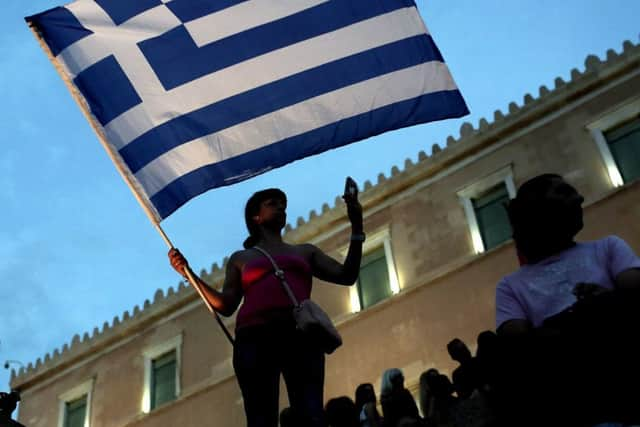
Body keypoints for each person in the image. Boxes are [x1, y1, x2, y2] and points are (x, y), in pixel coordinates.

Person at [169, 182, 364, 427]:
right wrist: (188, 274)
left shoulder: (304, 252)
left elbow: (347, 275)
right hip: (254, 338)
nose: (281, 207)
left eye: (283, 204)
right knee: (261, 418)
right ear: (256, 216)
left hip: (300, 335)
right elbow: (226, 304)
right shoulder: (241, 259)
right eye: (273, 204)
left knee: (311, 415)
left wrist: (357, 226)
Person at [493, 173, 640, 426]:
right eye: (562, 192)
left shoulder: (608, 247)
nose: (578, 197)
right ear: (536, 209)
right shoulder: (510, 287)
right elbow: (518, 346)